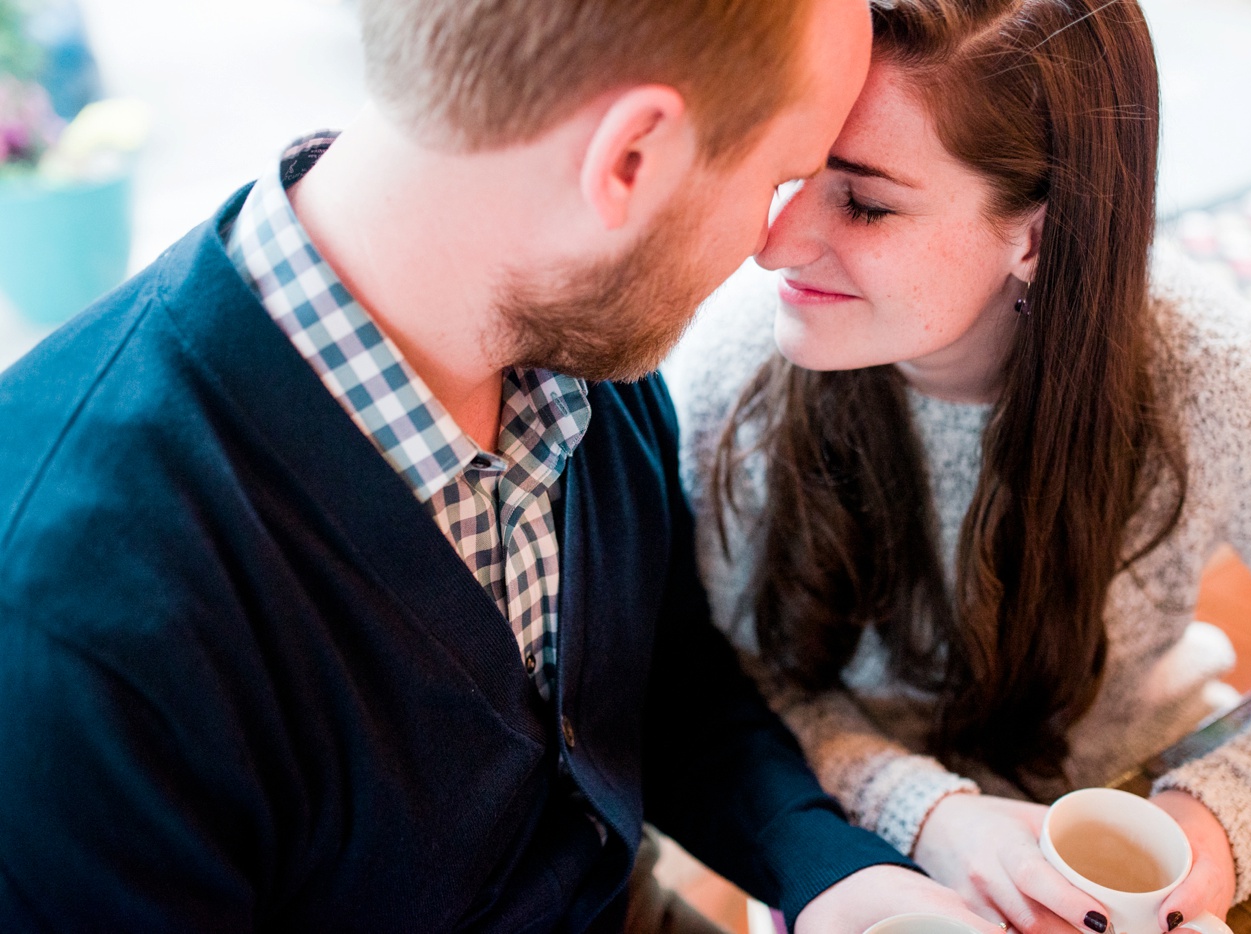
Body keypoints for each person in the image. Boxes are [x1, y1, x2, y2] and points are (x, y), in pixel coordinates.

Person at [0, 1, 1003, 931]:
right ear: (630, 160)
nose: (776, 243)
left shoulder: (572, 323)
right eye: (777, 178)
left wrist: (837, 878)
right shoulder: (73, 631)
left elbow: (665, 679)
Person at [669, 0, 1251, 932]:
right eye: (794, 169)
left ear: (1040, 238)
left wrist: (1210, 825)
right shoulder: (735, 364)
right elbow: (730, 687)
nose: (771, 242)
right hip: (846, 844)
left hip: (1127, 811)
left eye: (864, 200)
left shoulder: (1210, 373)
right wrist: (929, 815)